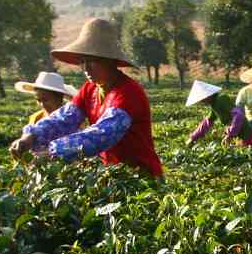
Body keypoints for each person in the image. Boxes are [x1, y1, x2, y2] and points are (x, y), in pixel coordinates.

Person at [9, 18, 164, 178]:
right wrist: (30, 136)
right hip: (113, 176)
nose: (86, 68)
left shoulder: (128, 93)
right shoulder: (90, 89)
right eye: (82, 62)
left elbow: (101, 135)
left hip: (143, 177)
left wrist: (52, 152)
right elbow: (64, 119)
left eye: (92, 61)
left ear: (110, 61)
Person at [186, 80, 252, 146]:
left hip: (247, 135)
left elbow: (238, 115)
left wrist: (230, 134)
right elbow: (207, 123)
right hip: (238, 136)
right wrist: (193, 137)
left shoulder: (221, 99)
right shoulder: (214, 105)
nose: (201, 101)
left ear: (208, 95)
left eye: (202, 98)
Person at [15, 71, 83, 128]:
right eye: (39, 100)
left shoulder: (73, 119)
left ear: (59, 99)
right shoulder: (36, 118)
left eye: (46, 100)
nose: (42, 104)